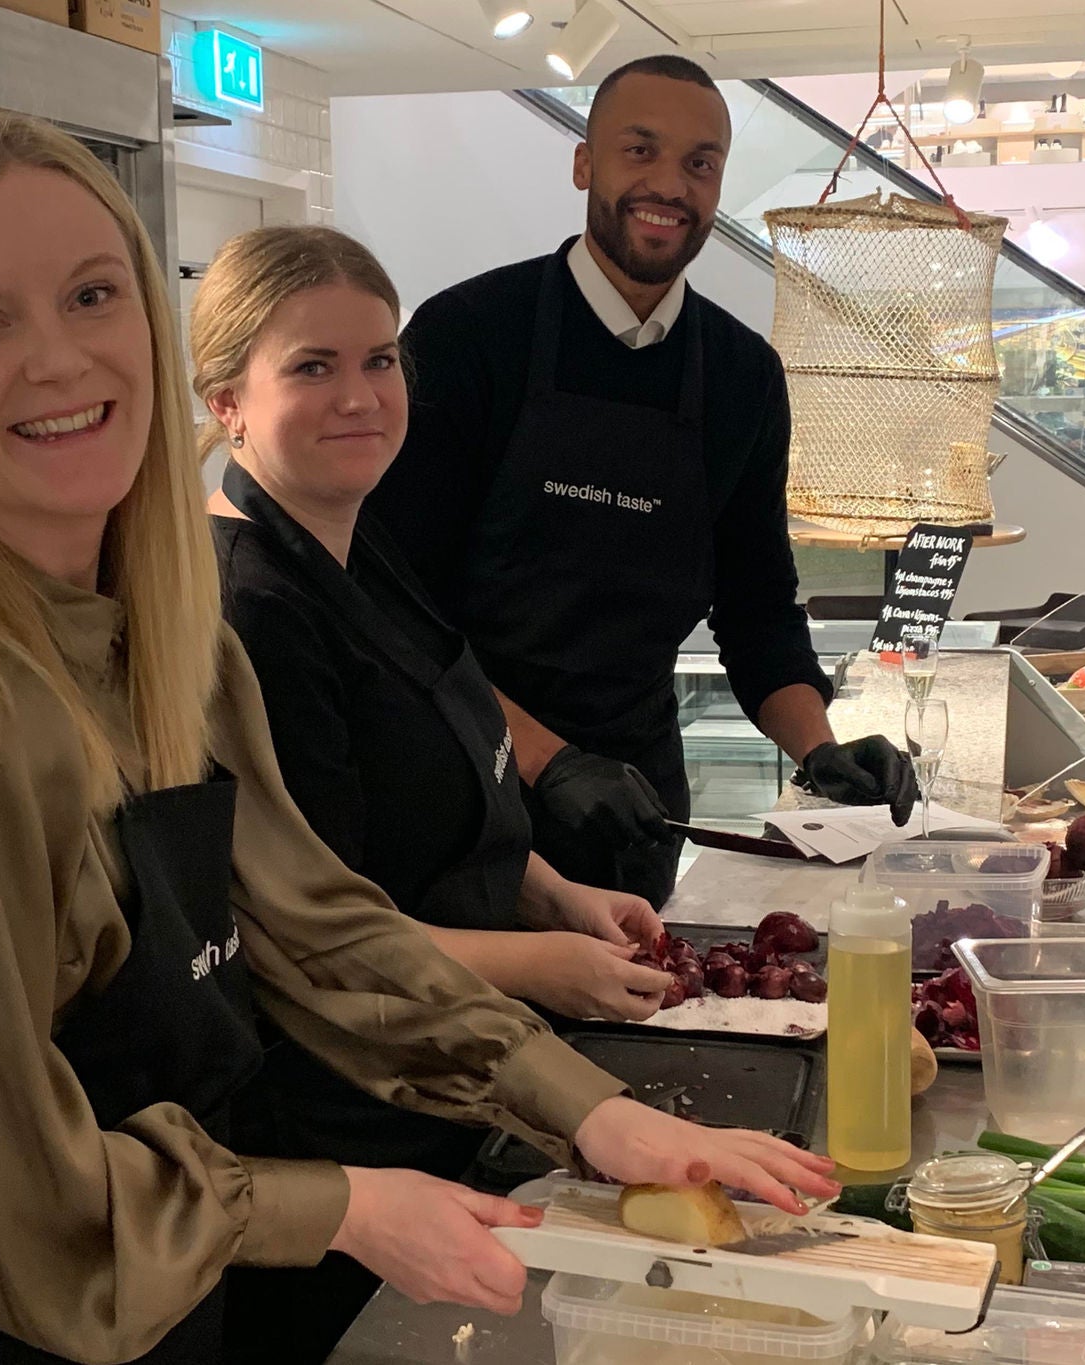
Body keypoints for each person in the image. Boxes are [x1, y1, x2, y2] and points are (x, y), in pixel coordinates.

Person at [0, 109, 838, 1365]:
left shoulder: (165, 642)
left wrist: (594, 1115)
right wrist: (344, 1204)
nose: (58, 362)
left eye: (92, 295)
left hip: (177, 1314)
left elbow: (315, 923)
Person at [199, 224, 679, 1362]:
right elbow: (318, 936)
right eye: (311, 367)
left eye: (378, 359)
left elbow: (437, 804)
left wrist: (556, 895)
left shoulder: (361, 549)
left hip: (449, 1089)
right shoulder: (251, 613)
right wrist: (548, 970)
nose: (361, 395)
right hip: (342, 1133)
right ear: (225, 403)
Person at [370, 54, 917, 909]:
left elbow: (757, 608)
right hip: (464, 803)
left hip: (636, 814)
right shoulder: (467, 337)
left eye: (700, 164)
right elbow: (398, 619)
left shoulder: (741, 375)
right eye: (640, 150)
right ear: (585, 163)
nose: (670, 184)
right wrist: (551, 762)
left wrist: (820, 748)